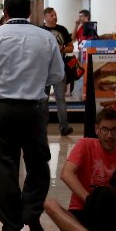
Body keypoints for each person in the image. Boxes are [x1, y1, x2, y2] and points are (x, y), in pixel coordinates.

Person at [0, 0, 64, 231]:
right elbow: (57, 75)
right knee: (38, 163)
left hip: (2, 109)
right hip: (35, 109)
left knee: (5, 166)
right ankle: (31, 212)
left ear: (5, 12)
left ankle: (10, 226)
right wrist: (37, 81)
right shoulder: (46, 37)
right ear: (30, 12)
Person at [41, 7, 75, 136]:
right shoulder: (40, 30)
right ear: (45, 17)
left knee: (60, 98)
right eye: (51, 15)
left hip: (59, 68)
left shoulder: (62, 30)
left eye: (55, 15)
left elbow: (71, 47)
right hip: (43, 69)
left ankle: (64, 127)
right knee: (43, 99)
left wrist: (62, 49)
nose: (54, 17)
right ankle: (43, 126)